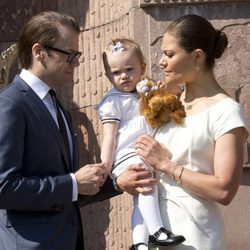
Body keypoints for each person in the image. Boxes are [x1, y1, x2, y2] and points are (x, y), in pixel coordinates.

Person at [126, 14, 248, 250]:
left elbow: (224, 190)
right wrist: (127, 178)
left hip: (194, 234)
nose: (161, 62)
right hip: (153, 234)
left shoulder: (226, 112)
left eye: (169, 54)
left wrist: (165, 165)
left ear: (197, 56)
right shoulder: (170, 103)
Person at [0, 11, 107, 250]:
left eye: (76, 54)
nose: (76, 62)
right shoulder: (10, 105)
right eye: (69, 54)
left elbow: (65, 187)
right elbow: (3, 188)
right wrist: (72, 184)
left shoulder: (55, 105)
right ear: (39, 52)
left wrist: (118, 181)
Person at [96, 38, 185, 250]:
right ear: (108, 75)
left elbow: (170, 101)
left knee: (142, 198)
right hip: (127, 155)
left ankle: (140, 243)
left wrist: (167, 90)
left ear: (142, 68)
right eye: (116, 73)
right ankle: (157, 231)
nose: (123, 76)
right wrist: (105, 166)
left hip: (143, 153)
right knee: (146, 186)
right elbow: (109, 137)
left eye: (129, 69)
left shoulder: (146, 91)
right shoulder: (113, 102)